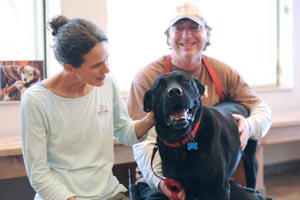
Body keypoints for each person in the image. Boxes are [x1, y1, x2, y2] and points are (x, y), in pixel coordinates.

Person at [126, 1, 272, 200]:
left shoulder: (224, 72)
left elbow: (261, 109)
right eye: (178, 28)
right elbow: (141, 142)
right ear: (168, 36)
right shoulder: (147, 77)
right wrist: (161, 182)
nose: (187, 35)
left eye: (194, 27)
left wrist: (249, 126)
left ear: (207, 34)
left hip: (208, 173)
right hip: (159, 175)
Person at [20, 15, 155, 200]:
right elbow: (38, 175)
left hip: (108, 193)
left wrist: (152, 118)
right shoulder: (35, 101)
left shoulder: (107, 84)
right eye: (97, 65)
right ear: (69, 68)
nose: (106, 70)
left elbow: (124, 132)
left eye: (107, 60)